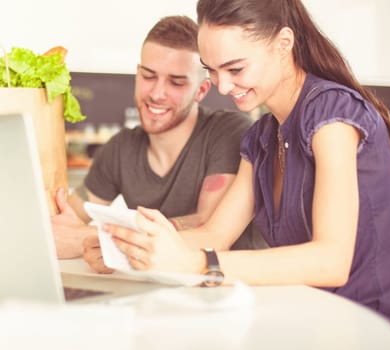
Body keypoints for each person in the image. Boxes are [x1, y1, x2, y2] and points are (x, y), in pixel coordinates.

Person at [104, 0, 390, 341]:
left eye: (235, 69)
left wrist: (197, 264)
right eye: (211, 70)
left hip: (363, 332)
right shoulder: (261, 138)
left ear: (283, 44)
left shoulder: (332, 114)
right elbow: (214, 235)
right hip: (304, 324)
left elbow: (331, 261)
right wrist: (125, 247)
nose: (221, 87)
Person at [51, 15, 263, 272]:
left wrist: (89, 238)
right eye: (148, 76)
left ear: (202, 90)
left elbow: (207, 227)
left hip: (229, 293)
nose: (156, 93)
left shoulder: (229, 132)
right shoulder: (120, 149)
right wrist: (66, 227)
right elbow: (66, 222)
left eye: (176, 82)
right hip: (158, 292)